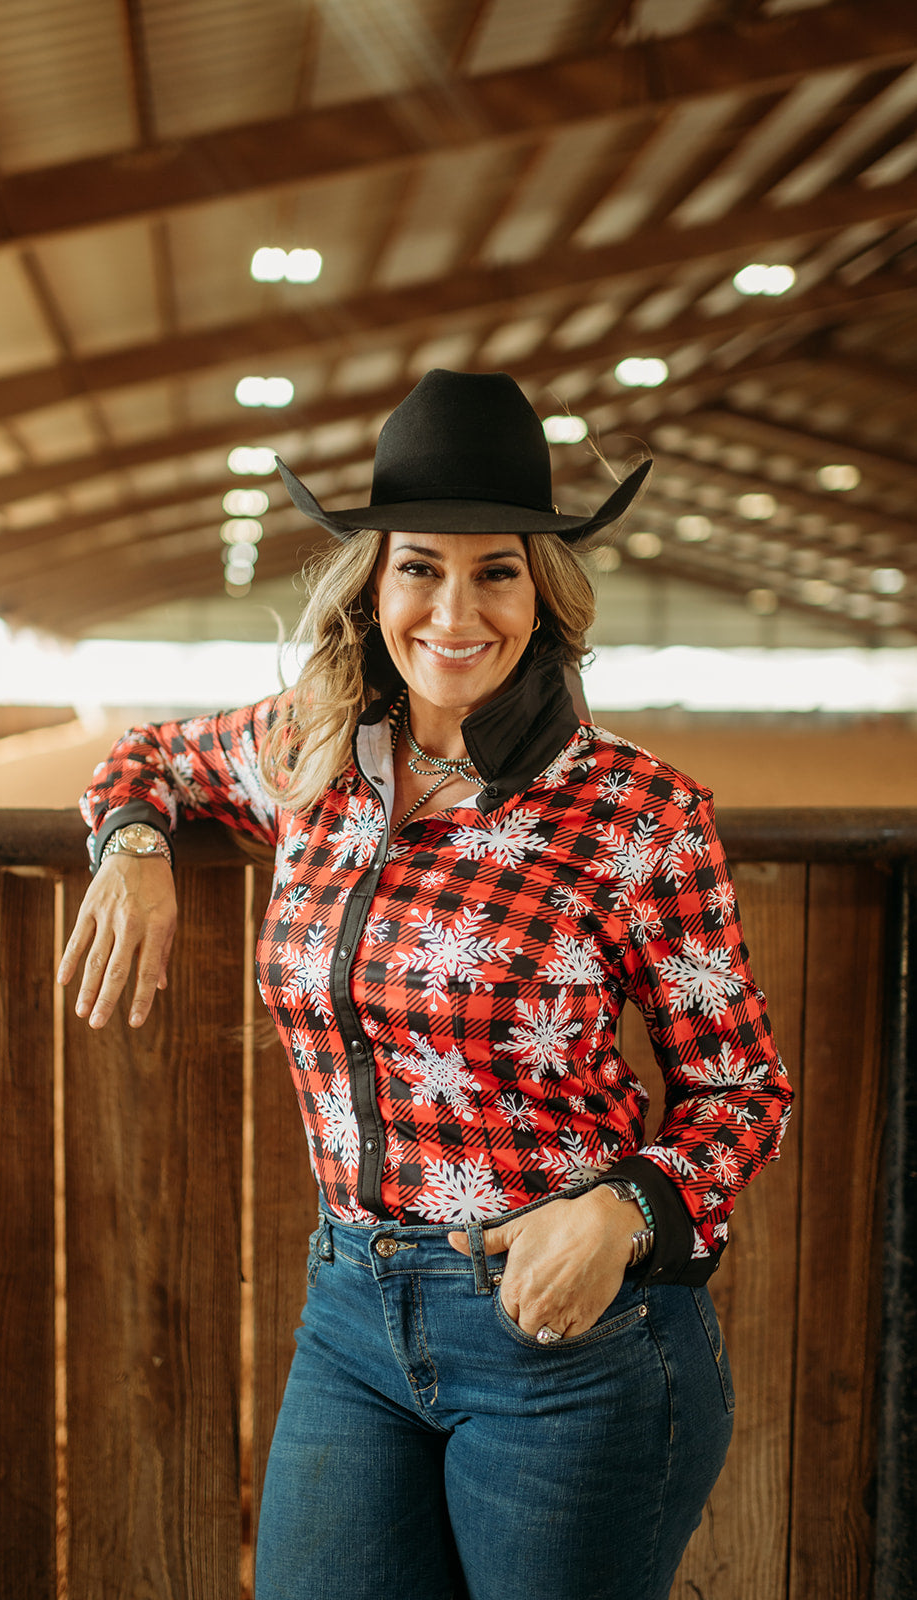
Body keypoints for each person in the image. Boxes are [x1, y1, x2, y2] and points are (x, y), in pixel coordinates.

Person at [58, 369, 792, 1600]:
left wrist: (618, 1215)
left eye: (493, 570)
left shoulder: (635, 813)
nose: (454, 609)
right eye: (419, 568)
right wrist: (132, 847)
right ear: (373, 582)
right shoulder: (309, 746)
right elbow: (145, 758)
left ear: (542, 592)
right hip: (351, 1315)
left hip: (564, 1339)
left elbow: (741, 1089)